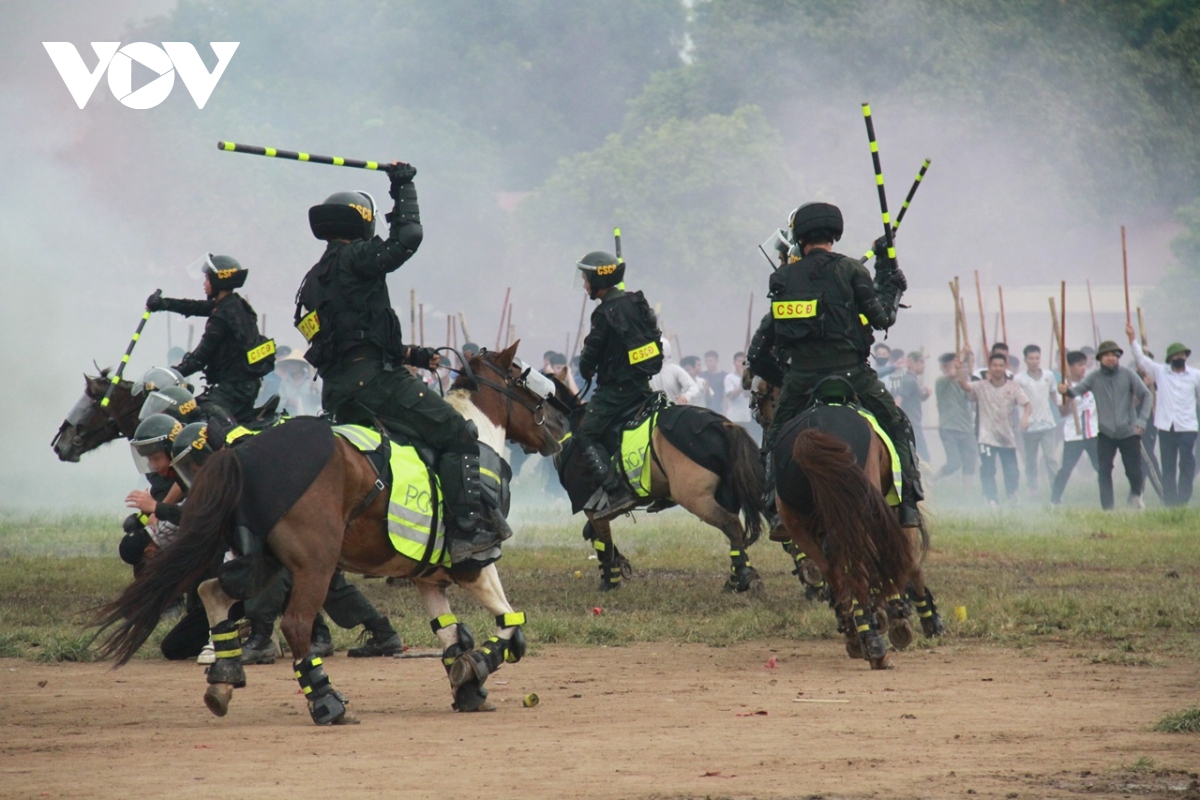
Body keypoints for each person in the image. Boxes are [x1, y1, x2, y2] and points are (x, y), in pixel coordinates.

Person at [293, 162, 508, 565]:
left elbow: (348, 337)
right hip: (376, 383)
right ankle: (467, 532)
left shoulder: (314, 279)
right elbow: (409, 236)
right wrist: (403, 186)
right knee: (457, 431)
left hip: (340, 392)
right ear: (363, 225)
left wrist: (413, 354)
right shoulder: (357, 257)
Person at [747, 201, 924, 527]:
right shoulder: (851, 270)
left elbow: (757, 356)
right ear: (834, 235)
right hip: (853, 375)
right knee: (899, 425)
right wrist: (889, 276)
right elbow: (883, 316)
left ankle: (773, 504)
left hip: (801, 379)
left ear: (799, 238)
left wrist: (787, 378)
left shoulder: (783, 278)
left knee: (773, 439)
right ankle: (910, 501)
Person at [574, 249, 664, 519]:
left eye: (586, 279)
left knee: (585, 433)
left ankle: (615, 491)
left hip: (616, 393)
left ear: (597, 281)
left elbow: (590, 356)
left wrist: (586, 367)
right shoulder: (635, 303)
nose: (584, 284)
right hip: (642, 388)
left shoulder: (603, 314)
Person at [146, 255, 273, 422]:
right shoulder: (234, 304)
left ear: (218, 281)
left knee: (190, 416)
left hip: (234, 389)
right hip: (244, 386)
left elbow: (199, 359)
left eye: (207, 279)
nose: (204, 284)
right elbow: (194, 306)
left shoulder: (221, 318)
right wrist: (163, 304)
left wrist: (169, 376)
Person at [1058, 340, 1151, 511]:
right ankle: (1108, 508)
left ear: (1118, 358)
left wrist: (1141, 420)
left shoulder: (1129, 375)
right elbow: (1076, 391)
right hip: (1106, 433)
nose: (1110, 359)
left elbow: (1146, 395)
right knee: (1104, 472)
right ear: (1100, 359)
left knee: (1134, 470)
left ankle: (1136, 495)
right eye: (1106, 356)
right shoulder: (1094, 378)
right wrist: (1065, 391)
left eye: (1113, 356)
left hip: (1129, 431)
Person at [1127, 323, 1200, 506]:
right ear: (1170, 358)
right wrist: (1132, 338)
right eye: (1176, 355)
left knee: (1187, 463)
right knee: (1168, 466)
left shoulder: (1195, 375)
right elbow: (1141, 360)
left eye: (1182, 355)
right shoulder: (1161, 372)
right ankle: (1170, 501)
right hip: (1166, 426)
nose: (1180, 358)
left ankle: (1183, 498)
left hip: (1188, 426)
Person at [957, 350, 1031, 506]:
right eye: (994, 365)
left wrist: (1025, 418)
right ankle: (991, 498)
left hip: (1007, 436)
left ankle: (1012, 495)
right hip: (986, 436)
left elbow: (1027, 404)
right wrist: (959, 369)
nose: (998, 368)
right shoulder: (981, 386)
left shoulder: (1014, 387)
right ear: (989, 367)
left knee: (1012, 471)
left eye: (1001, 365)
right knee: (988, 469)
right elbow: (964, 386)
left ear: (1006, 367)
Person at [1050, 351, 1099, 505]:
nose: (1083, 368)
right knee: (1066, 469)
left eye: (1084, 364)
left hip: (1093, 433)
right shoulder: (1063, 387)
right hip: (1073, 435)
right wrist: (1069, 397)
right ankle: (1054, 500)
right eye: (1079, 365)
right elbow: (1063, 412)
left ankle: (1107, 501)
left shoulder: (1092, 383)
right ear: (1070, 367)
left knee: (1101, 468)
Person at [1015, 344, 1061, 495]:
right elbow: (1016, 400)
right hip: (1029, 425)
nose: (1034, 361)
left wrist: (1062, 406)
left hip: (1047, 424)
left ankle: (1056, 490)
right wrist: (1022, 419)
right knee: (1031, 460)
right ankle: (1032, 487)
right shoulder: (1019, 379)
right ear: (1025, 360)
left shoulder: (1049, 376)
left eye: (1037, 358)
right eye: (1031, 358)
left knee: (1051, 458)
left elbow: (1054, 395)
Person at [934, 352, 977, 488]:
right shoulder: (941, 382)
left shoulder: (964, 383)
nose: (961, 368)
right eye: (957, 365)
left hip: (966, 428)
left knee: (970, 461)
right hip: (949, 428)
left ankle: (967, 494)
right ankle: (932, 480)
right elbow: (952, 374)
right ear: (945, 367)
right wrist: (963, 354)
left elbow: (972, 397)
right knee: (954, 462)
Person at [895, 351, 930, 462]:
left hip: (914, 423)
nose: (924, 365)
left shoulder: (913, 380)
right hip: (912, 424)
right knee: (924, 457)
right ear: (913, 363)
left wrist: (926, 395)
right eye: (921, 362)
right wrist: (897, 420)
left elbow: (914, 399)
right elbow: (898, 400)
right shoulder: (909, 381)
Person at [649, 339, 701, 404]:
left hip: (675, 409)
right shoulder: (648, 372)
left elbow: (693, 387)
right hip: (655, 410)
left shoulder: (674, 369)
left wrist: (686, 397)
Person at [273, 350, 322, 417]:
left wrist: (315, 390)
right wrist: (287, 403)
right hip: (291, 418)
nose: (292, 366)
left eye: (295, 363)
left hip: (311, 417)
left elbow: (319, 402)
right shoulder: (284, 382)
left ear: (301, 364)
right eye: (290, 363)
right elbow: (278, 403)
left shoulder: (313, 380)